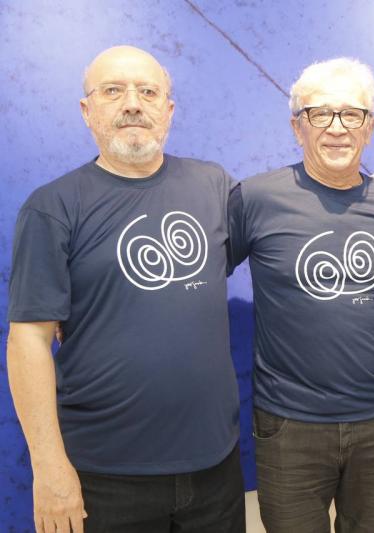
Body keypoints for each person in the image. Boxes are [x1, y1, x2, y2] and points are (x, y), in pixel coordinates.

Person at [6, 46, 244, 533]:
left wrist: (369, 187)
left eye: (148, 92)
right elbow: (28, 339)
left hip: (215, 467)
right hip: (104, 479)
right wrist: (50, 470)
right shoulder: (52, 207)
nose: (133, 104)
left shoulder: (214, 185)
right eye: (113, 90)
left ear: (168, 110)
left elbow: (290, 225)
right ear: (86, 109)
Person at [228, 57, 374, 533]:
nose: (338, 127)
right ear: (297, 126)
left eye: (352, 114)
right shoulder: (255, 198)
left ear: (370, 127)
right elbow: (197, 277)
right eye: (321, 113)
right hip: (289, 428)